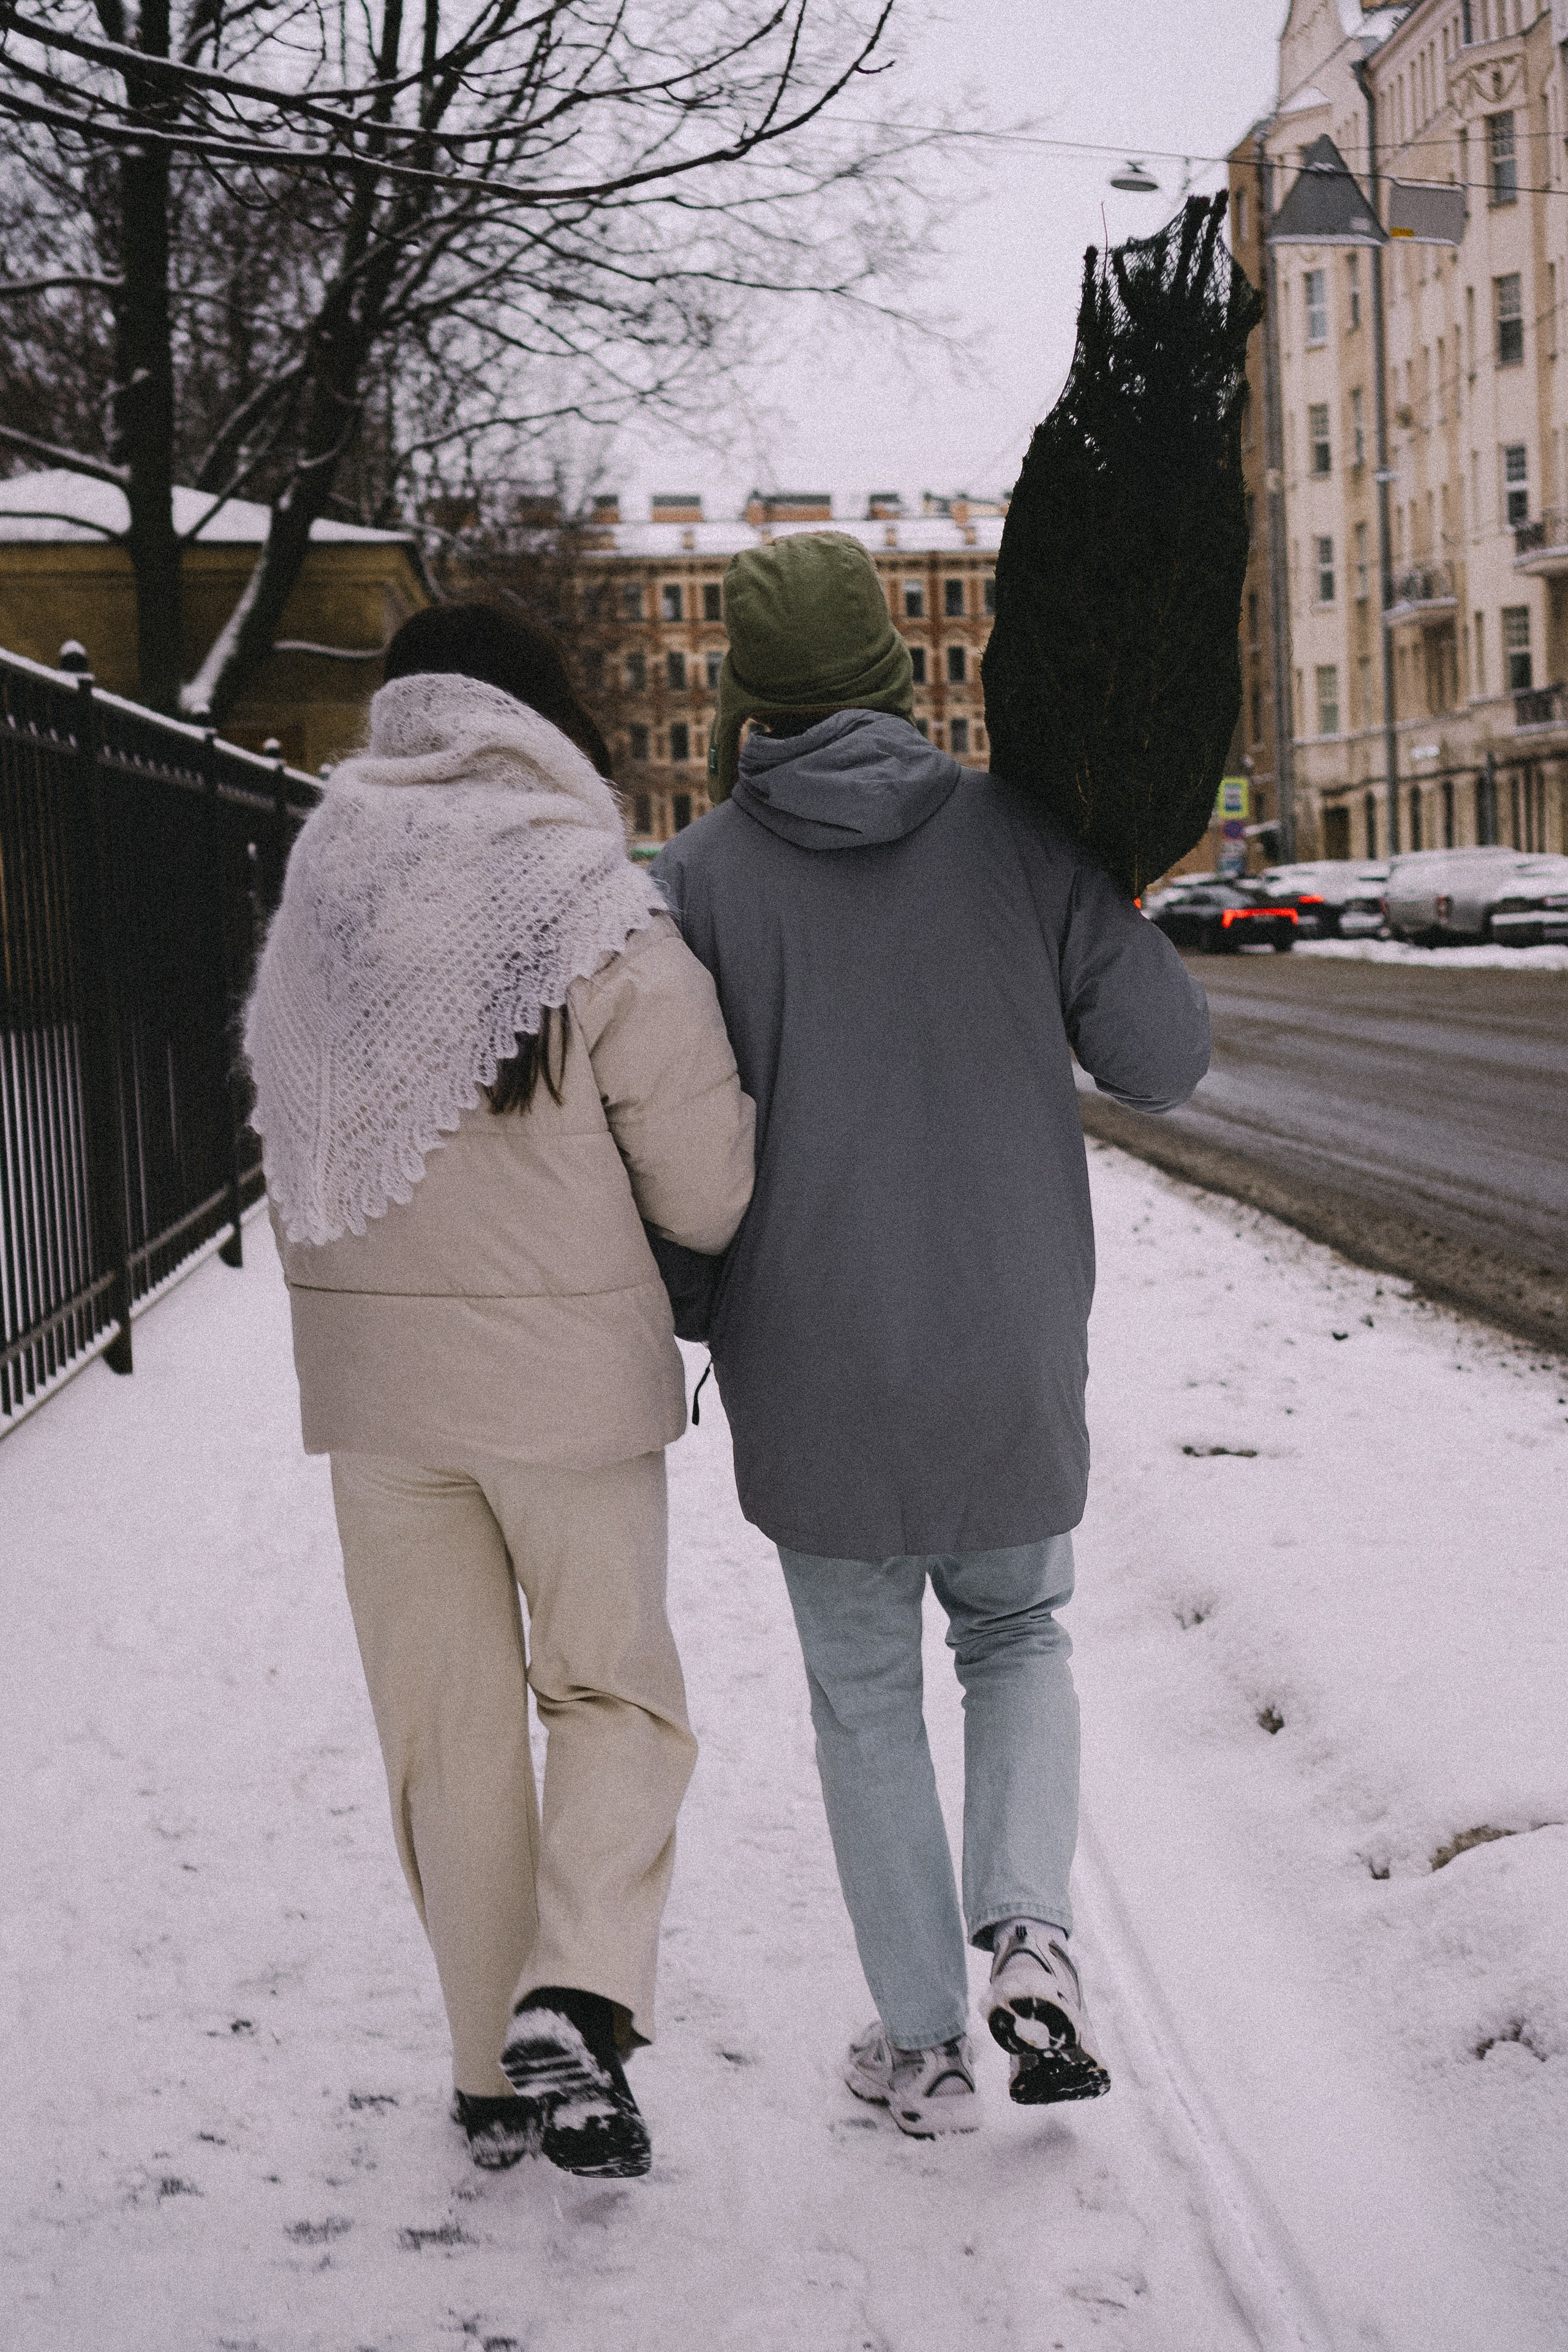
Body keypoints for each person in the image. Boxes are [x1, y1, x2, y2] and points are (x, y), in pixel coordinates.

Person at [653, 532, 1210, 2138]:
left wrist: (695, 1321)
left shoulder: (694, 883)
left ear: (748, 693)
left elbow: (677, 1154)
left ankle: (921, 2046)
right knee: (1019, 1637)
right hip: (1006, 1347)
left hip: (809, 1361)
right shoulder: (1029, 842)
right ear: (905, 669)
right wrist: (1114, 891)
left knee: (866, 1697)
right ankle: (1030, 1930)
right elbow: (1165, 1060)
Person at [245, 603, 755, 2179]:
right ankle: (582, 1998)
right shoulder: (591, 903)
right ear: (537, 719)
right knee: (611, 1694)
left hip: (377, 1397)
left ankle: (488, 2078)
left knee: (445, 1734)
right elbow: (709, 1190)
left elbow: (280, 1133)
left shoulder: (317, 897)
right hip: (566, 1395)